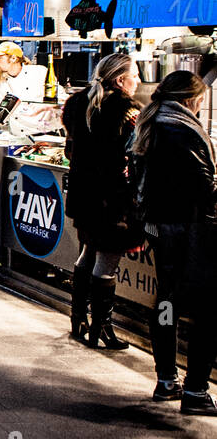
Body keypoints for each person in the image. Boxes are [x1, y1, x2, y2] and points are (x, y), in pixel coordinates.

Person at [134, 71, 217, 413]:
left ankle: (167, 378)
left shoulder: (154, 123)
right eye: (199, 100)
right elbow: (203, 189)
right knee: (207, 310)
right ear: (189, 100)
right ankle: (196, 390)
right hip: (188, 229)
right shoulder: (181, 131)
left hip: (158, 226)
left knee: (166, 299)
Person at [63, 54, 141, 350]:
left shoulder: (76, 104)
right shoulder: (127, 110)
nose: (139, 81)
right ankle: (102, 328)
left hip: (84, 195)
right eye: (135, 75)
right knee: (106, 262)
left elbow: (71, 151)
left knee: (87, 253)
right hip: (113, 200)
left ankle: (79, 318)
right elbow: (135, 157)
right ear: (121, 80)